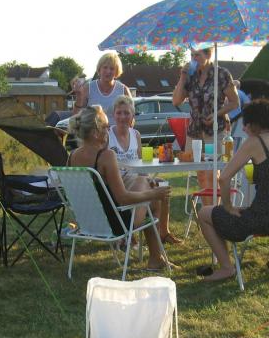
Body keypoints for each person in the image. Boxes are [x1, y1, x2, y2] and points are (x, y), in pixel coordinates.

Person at [197, 99, 269, 282]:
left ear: (255, 124)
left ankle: (226, 268)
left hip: (261, 220)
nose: (243, 129)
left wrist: (228, 207)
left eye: (246, 124)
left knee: (204, 213)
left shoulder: (254, 142)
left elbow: (224, 178)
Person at [67, 106, 173, 271]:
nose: (108, 130)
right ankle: (156, 258)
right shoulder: (106, 156)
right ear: (95, 133)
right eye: (105, 127)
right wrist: (153, 193)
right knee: (151, 197)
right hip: (116, 224)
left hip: (88, 222)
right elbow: (123, 198)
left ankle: (156, 258)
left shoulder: (72, 156)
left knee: (145, 186)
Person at [108, 95, 181, 244]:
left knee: (162, 184)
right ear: (114, 114)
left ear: (132, 115)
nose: (122, 117)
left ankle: (164, 231)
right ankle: (133, 231)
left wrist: (149, 178)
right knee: (149, 187)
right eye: (119, 113)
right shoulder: (108, 135)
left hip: (136, 178)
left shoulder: (135, 134)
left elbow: (141, 163)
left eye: (126, 113)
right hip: (119, 181)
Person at [172, 47, 240, 202]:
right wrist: (182, 77)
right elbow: (176, 101)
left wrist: (217, 113)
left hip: (215, 130)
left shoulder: (221, 74)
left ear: (209, 54)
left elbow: (235, 102)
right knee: (201, 175)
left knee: (212, 173)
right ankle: (207, 211)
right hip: (194, 131)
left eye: (197, 55)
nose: (193, 58)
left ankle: (214, 212)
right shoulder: (190, 75)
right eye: (192, 55)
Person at [72, 52, 131, 122]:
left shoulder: (124, 90)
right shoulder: (88, 88)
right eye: (105, 67)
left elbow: (131, 119)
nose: (108, 71)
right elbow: (76, 117)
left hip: (116, 129)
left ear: (116, 71)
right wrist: (79, 96)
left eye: (112, 69)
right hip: (92, 129)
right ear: (99, 69)